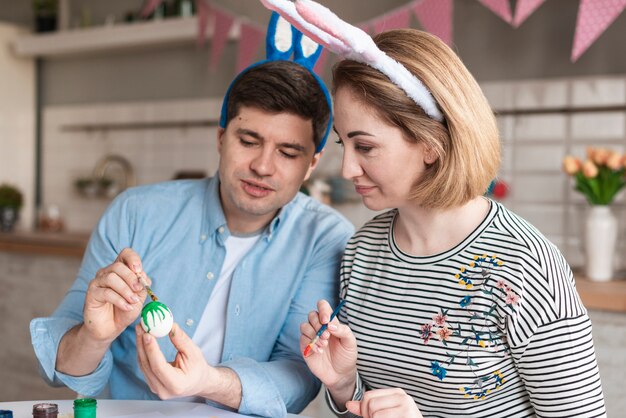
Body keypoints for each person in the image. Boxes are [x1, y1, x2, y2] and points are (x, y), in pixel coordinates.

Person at [260, 1, 607, 417]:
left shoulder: (526, 268)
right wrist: (343, 384)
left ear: (430, 143)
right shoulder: (363, 251)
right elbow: (371, 404)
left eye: (365, 146)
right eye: (343, 144)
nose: (348, 167)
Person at [30, 18, 355, 417]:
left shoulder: (326, 238)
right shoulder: (136, 214)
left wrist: (208, 382)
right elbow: (66, 368)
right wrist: (94, 336)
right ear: (221, 138)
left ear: (312, 164)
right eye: (248, 141)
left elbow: (300, 373)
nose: (263, 167)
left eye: (288, 153)